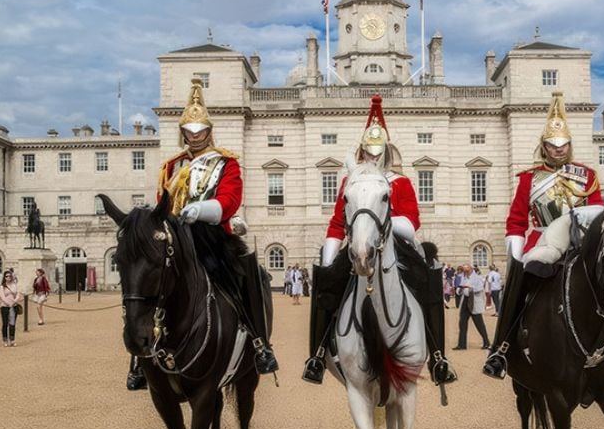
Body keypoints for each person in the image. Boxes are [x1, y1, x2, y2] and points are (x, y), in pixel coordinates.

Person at [484, 91, 604, 380]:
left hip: (581, 242)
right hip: (542, 243)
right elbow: (516, 219)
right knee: (517, 286)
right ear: (544, 146)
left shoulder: (587, 175)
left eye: (563, 145)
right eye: (552, 145)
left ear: (570, 145)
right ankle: (502, 348)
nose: (558, 150)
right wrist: (516, 254)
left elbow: (597, 210)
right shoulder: (528, 179)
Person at [302, 95, 454, 387]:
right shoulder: (351, 182)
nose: (373, 156)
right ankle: (318, 354)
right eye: (368, 151)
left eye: (378, 151)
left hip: (396, 246)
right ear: (361, 151)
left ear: (386, 152)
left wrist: (383, 225)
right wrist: (329, 257)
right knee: (327, 283)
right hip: (357, 243)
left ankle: (437, 356)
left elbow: (412, 221)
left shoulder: (400, 181)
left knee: (427, 280)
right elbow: (337, 222)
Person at [157, 78, 278, 376]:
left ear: (209, 131)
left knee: (245, 274)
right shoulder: (171, 166)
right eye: (189, 130)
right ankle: (139, 358)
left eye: (200, 130)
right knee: (145, 279)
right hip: (176, 237)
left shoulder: (226, 163)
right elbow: (162, 201)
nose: (195, 135)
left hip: (210, 235)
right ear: (182, 132)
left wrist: (201, 209)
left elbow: (230, 199)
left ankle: (259, 343)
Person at [454, 263, 491, 350]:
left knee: (479, 324)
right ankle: (462, 345)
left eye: (466, 271)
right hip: (465, 301)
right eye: (464, 271)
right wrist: (460, 289)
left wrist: (469, 287)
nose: (465, 272)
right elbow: (458, 291)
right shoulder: (463, 277)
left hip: (474, 302)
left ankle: (486, 342)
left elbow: (479, 289)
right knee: (462, 324)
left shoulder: (477, 278)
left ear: (470, 270)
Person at [0, 270, 21, 347]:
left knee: (12, 323)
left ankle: (12, 340)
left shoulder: (14, 285)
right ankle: (5, 340)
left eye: (9, 276)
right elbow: (2, 296)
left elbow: (18, 294)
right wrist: (8, 303)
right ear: (4, 277)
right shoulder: (2, 287)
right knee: (5, 323)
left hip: (14, 306)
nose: (8, 277)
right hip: (5, 306)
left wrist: (15, 301)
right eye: (6, 276)